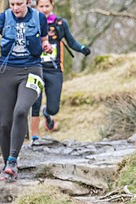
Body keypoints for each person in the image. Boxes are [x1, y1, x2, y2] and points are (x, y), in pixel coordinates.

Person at [0, 0, 53, 180]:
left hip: (32, 70)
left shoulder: (39, 17)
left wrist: (46, 46)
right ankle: (7, 164)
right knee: (5, 122)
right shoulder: (3, 18)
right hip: (6, 72)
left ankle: (13, 160)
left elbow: (44, 40)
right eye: (12, 3)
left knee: (21, 110)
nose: (15, 8)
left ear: (28, 2)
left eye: (19, 3)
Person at [29, 0, 91, 141]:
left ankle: (48, 113)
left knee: (54, 108)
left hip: (55, 70)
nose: (44, 9)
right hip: (35, 68)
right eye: (41, 6)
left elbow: (71, 41)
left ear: (52, 6)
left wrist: (82, 48)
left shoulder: (60, 23)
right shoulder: (31, 22)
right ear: (36, 7)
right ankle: (34, 137)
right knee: (35, 103)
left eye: (47, 6)